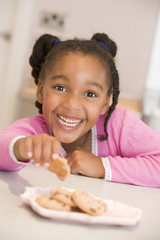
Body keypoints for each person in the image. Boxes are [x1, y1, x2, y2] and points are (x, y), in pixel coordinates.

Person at [0, 33, 160, 187]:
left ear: (106, 103)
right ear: (40, 91)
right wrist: (21, 147)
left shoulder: (119, 124)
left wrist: (101, 166)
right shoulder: (34, 130)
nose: (72, 104)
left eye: (90, 94)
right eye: (60, 87)